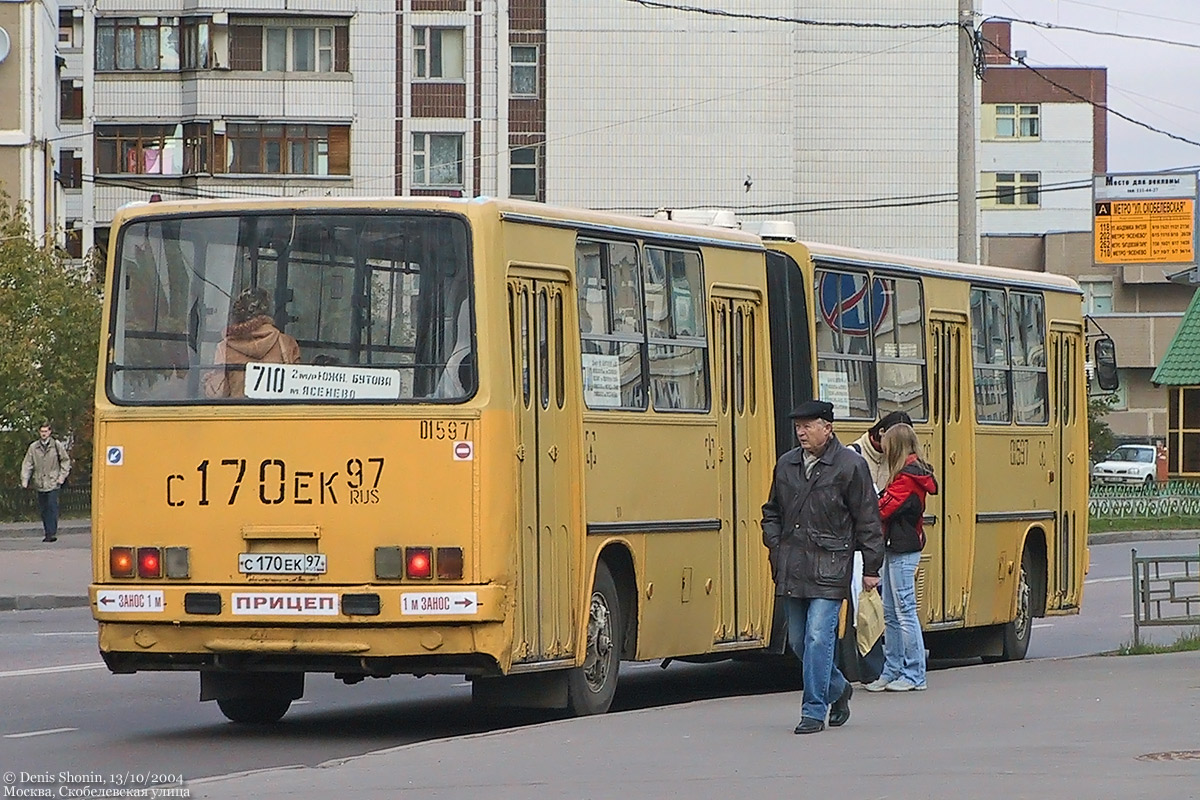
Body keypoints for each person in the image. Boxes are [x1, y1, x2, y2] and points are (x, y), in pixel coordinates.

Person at [762, 399, 885, 734]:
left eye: (808, 426)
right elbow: (771, 512)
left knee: (819, 637)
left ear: (827, 428)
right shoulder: (786, 464)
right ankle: (838, 688)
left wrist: (872, 568)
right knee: (799, 642)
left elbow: (868, 519)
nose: (801, 432)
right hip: (792, 565)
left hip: (831, 565)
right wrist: (776, 545)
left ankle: (813, 709)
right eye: (798, 427)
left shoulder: (849, 465)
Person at [866, 423, 938, 693]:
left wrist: (871, 500)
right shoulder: (909, 473)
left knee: (904, 611)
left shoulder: (907, 477)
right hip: (897, 545)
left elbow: (883, 509)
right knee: (892, 612)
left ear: (895, 445)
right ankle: (893, 669)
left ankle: (914, 673)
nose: (882, 446)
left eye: (886, 442)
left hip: (903, 548)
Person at [204, 288, 301, 399]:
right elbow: (295, 389)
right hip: (274, 414)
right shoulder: (286, 343)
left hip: (239, 414)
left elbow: (218, 393)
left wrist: (208, 381)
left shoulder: (225, 347)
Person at [20, 423, 71, 543]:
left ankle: (51, 533)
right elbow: (28, 463)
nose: (44, 433)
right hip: (40, 483)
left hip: (53, 481)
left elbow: (65, 461)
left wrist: (61, 477)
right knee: (44, 509)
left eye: (46, 431)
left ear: (49, 432)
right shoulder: (34, 447)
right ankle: (47, 531)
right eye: (42, 431)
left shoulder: (56, 445)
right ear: (39, 432)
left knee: (52, 507)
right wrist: (25, 479)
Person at [849, 410, 913, 491]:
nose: (898, 449)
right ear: (882, 432)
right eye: (894, 442)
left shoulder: (901, 458)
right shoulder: (853, 454)